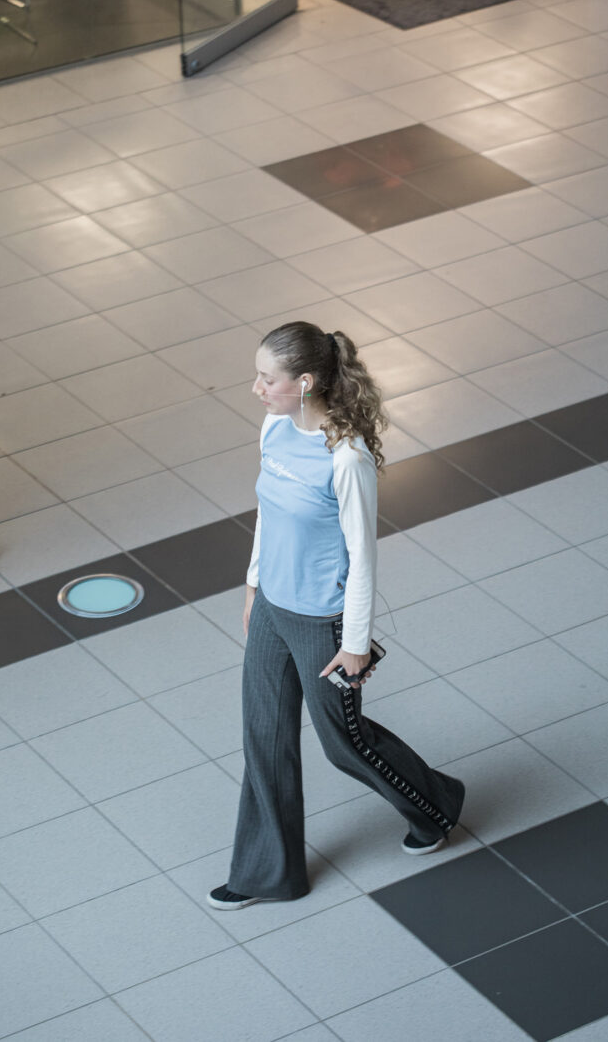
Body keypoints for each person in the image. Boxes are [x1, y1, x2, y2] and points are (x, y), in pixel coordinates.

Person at [207, 321, 465, 910]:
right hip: (274, 605)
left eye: (266, 379)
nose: (256, 388)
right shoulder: (274, 426)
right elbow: (267, 512)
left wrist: (354, 644)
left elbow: (363, 558)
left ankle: (436, 807)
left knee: (343, 743)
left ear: (303, 382)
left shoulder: (345, 458)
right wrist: (253, 583)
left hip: (323, 621)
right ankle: (267, 875)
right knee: (264, 738)